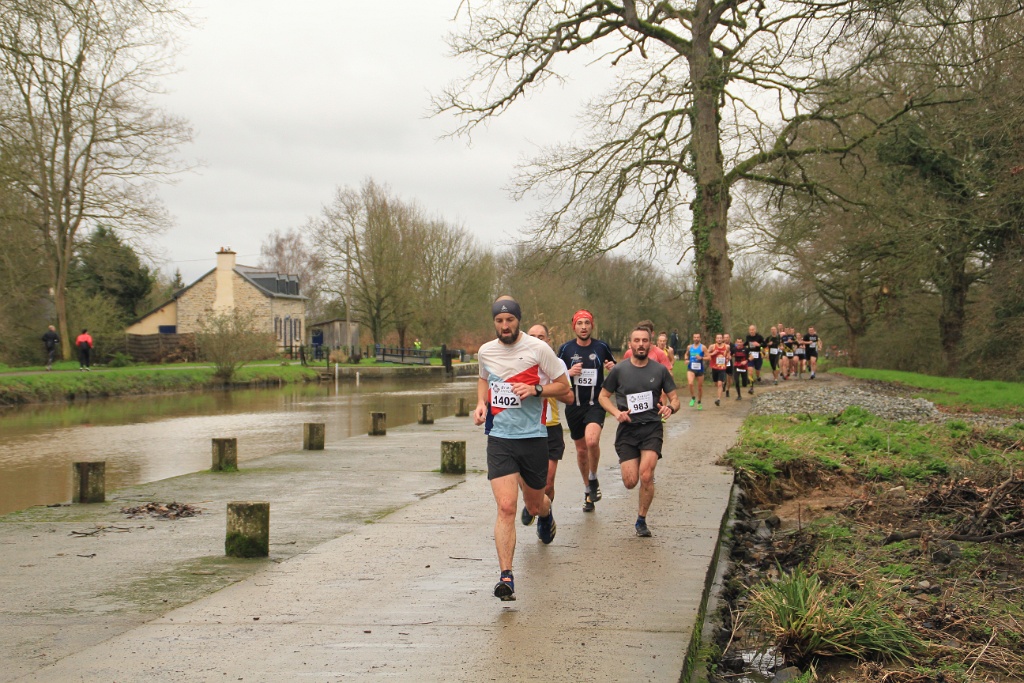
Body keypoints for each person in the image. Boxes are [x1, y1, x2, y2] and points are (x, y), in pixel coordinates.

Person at [475, 297, 571, 601]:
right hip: (499, 438)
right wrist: (481, 404)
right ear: (494, 322)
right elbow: (483, 378)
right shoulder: (485, 351)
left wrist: (536, 389)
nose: (505, 326)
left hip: (532, 437)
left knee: (533, 505)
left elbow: (564, 387)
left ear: (518, 320)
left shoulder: (538, 349)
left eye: (510, 320)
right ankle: (506, 577)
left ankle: (546, 512)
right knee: (506, 506)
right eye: (499, 321)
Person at [598, 326, 680, 537]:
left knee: (646, 474)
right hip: (628, 430)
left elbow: (675, 399)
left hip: (652, 427)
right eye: (637, 341)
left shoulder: (659, 370)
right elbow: (603, 396)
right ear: (630, 344)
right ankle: (636, 475)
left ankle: (641, 520)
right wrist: (616, 413)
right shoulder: (619, 370)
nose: (641, 344)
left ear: (650, 343)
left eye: (645, 340)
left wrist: (670, 408)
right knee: (630, 481)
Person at [557, 310, 617, 513]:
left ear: (592, 326)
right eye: (579, 323)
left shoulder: (601, 347)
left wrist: (613, 367)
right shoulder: (565, 349)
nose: (583, 327)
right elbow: (554, 376)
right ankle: (587, 491)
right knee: (582, 450)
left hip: (595, 403)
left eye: (587, 323)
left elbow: (616, 370)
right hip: (573, 405)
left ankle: (593, 477)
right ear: (573, 326)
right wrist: (568, 373)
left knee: (592, 441)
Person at [521, 323, 574, 527]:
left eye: (541, 337)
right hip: (525, 428)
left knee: (548, 483)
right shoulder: (518, 362)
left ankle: (545, 517)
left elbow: (569, 397)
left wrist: (543, 389)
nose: (536, 340)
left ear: (548, 341)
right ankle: (533, 502)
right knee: (528, 483)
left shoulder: (557, 363)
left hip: (550, 427)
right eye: (532, 336)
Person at [683, 332, 706, 410]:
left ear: (700, 338)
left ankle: (699, 402)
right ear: (693, 338)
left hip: (700, 369)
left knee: (700, 387)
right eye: (695, 337)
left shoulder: (703, 347)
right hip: (691, 368)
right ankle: (693, 397)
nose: (696, 339)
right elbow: (686, 354)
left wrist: (701, 358)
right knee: (690, 383)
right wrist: (686, 359)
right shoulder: (689, 347)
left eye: (697, 337)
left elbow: (709, 357)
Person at [709, 333, 730, 406]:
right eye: (718, 338)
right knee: (716, 383)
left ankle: (718, 399)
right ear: (715, 339)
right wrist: (713, 353)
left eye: (720, 338)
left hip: (722, 368)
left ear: (722, 339)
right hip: (714, 368)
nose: (719, 339)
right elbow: (706, 355)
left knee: (719, 384)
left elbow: (728, 354)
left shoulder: (727, 346)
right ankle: (721, 387)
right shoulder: (712, 346)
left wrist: (728, 358)